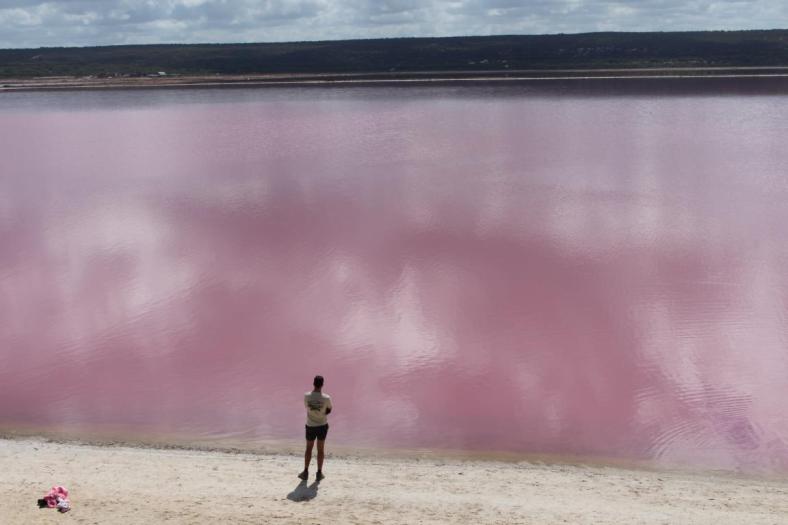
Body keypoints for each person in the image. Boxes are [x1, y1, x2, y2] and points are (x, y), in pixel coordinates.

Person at [299, 375, 332, 481]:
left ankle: (305, 472)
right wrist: (321, 413)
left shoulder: (306, 396)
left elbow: (306, 408)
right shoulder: (326, 398)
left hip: (310, 425)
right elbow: (329, 410)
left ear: (313, 383)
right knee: (320, 449)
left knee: (308, 448)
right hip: (322, 425)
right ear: (322, 384)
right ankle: (319, 473)